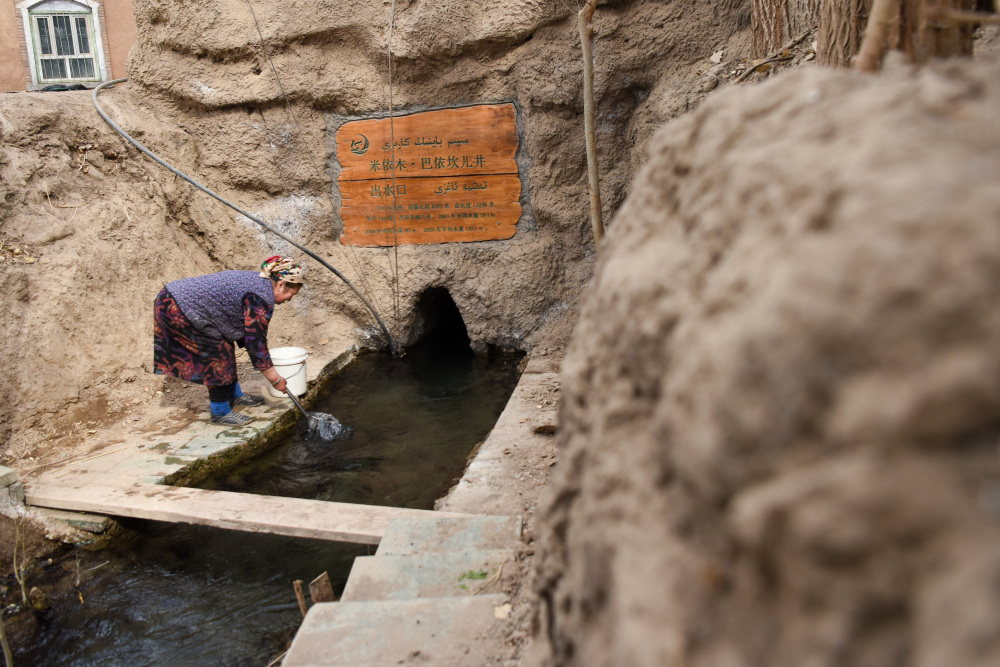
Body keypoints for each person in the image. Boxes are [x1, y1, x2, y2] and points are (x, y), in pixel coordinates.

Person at [153, 256, 304, 425]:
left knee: (225, 346)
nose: (290, 298)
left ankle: (234, 395)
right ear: (281, 285)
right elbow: (256, 343)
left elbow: (249, 336)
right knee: (218, 356)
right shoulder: (260, 297)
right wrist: (275, 380)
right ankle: (220, 411)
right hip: (176, 307)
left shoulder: (262, 286)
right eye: (292, 293)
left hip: (179, 300)